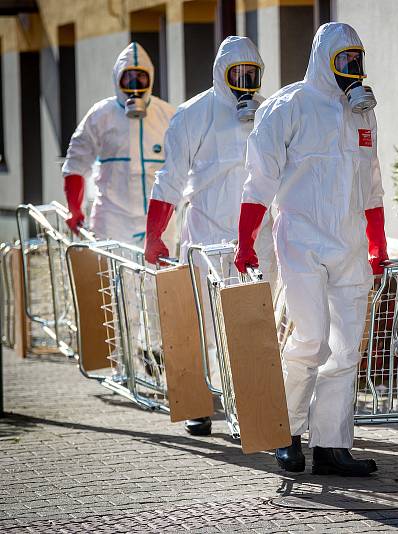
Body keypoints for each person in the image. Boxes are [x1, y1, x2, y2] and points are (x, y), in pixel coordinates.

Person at [234, 22, 387, 476]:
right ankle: (288, 433)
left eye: (357, 61)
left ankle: (332, 445)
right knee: (310, 339)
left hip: (350, 243)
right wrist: (246, 239)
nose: (352, 70)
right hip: (300, 239)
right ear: (324, 60)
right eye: (344, 61)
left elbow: (373, 183)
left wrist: (376, 241)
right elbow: (258, 179)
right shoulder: (288, 106)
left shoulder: (363, 113)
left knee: (344, 349)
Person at [144, 36, 277, 436]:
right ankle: (198, 402)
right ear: (221, 73)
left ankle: (248, 411)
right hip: (206, 234)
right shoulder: (192, 114)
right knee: (204, 321)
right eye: (236, 73)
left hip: (257, 235)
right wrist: (155, 234)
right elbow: (169, 178)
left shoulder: (270, 113)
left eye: (251, 73)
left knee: (253, 323)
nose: (244, 81)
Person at [62, 42, 177, 247]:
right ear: (117, 79)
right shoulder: (100, 115)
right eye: (128, 77)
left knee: (157, 278)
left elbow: (185, 165)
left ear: (150, 78)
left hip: (158, 223)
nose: (135, 84)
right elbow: (75, 163)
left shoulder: (167, 115)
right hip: (111, 221)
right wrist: (74, 208)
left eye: (141, 77)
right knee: (109, 278)